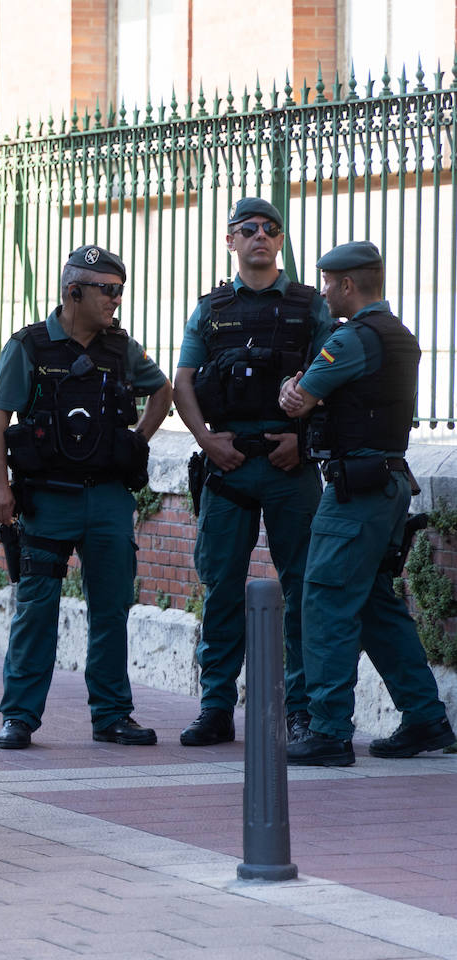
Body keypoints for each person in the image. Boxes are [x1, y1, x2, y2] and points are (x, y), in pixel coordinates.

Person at [0, 245, 172, 750]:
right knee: (36, 608)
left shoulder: (122, 348)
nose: (115, 299)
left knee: (110, 610)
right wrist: (0, 486)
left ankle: (112, 715)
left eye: (119, 290)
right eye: (107, 290)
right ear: (74, 291)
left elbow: (164, 390)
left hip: (109, 500)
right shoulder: (28, 347)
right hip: (48, 500)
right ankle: (19, 717)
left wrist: (137, 440)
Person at [279, 240, 456, 766]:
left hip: (356, 492)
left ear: (349, 285)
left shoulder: (351, 338)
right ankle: (426, 718)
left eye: (329, 283)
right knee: (375, 604)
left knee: (325, 600)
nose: (324, 291)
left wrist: (294, 387)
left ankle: (329, 731)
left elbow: (299, 399)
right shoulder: (397, 332)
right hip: (386, 484)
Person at [173, 198, 334, 747]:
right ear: (230, 241)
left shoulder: (309, 306)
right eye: (248, 229)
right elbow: (183, 382)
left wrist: (302, 439)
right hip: (230, 465)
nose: (260, 236)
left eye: (270, 229)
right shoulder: (210, 309)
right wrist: (204, 440)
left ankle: (302, 711)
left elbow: (331, 379)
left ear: (280, 240)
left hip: (291, 465)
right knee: (220, 590)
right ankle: (215, 707)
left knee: (303, 589)